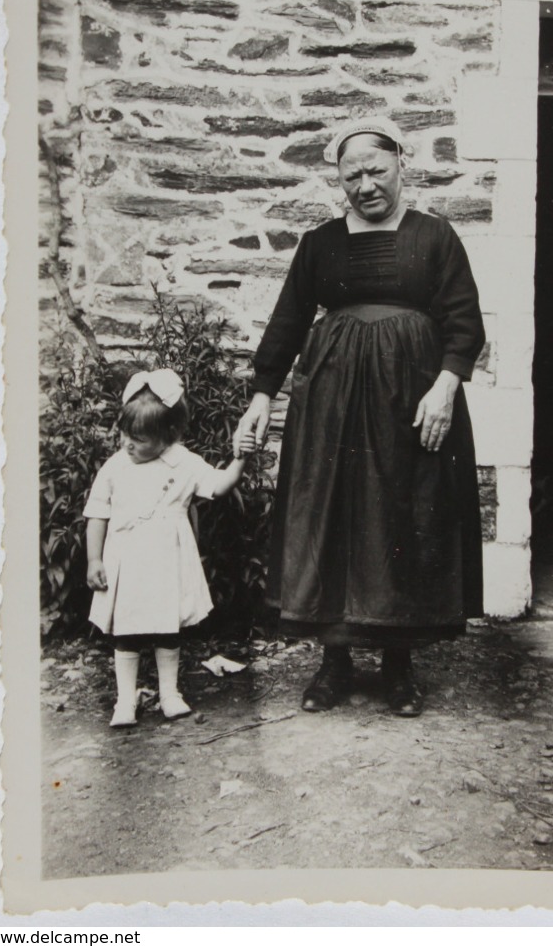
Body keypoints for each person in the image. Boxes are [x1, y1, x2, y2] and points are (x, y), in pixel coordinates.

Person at [234, 116, 485, 717]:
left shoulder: (435, 237)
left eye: (377, 170)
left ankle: (400, 668)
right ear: (339, 181)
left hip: (413, 398)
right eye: (353, 176)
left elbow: (464, 322)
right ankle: (334, 663)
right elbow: (289, 318)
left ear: (402, 165)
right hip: (332, 402)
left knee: (405, 518)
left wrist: (445, 388)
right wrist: (263, 394)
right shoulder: (320, 242)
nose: (366, 184)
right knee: (332, 516)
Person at [85, 368, 251, 727]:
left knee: (167, 629)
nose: (128, 444)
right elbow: (97, 513)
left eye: (139, 438)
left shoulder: (183, 462)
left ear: (168, 435)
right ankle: (125, 700)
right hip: (126, 561)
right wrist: (94, 559)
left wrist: (240, 459)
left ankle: (169, 692)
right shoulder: (116, 467)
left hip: (166, 560)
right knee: (126, 633)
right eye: (125, 434)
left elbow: (219, 485)